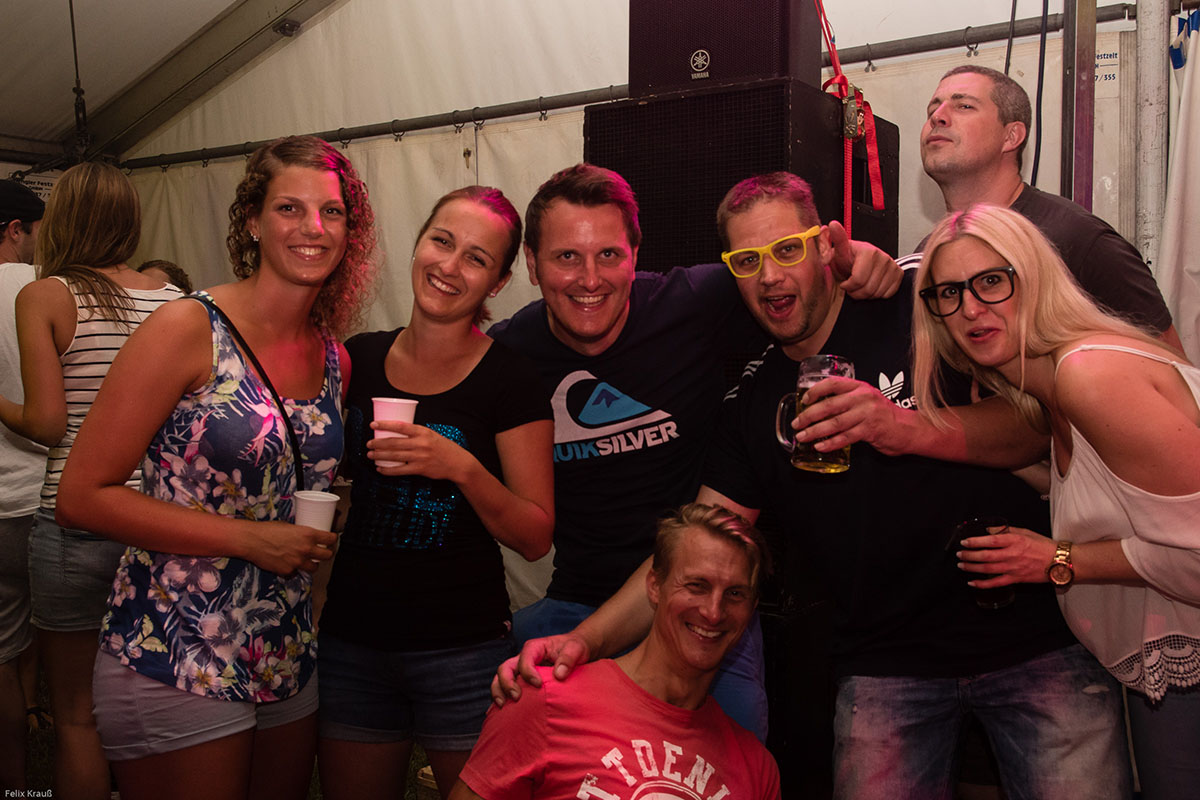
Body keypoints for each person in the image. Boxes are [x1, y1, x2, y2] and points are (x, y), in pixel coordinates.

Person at [500, 172, 1132, 800]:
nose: (770, 276)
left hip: (1029, 640)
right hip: (886, 665)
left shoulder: (915, 306)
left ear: (825, 246)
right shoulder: (751, 406)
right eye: (748, 261)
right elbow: (695, 553)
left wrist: (901, 427)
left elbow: (1037, 425)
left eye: (787, 250)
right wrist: (584, 641)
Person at [488, 163, 901, 739]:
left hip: (706, 603)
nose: (590, 279)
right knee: (537, 747)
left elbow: (791, 280)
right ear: (532, 264)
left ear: (636, 254)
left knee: (728, 760)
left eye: (608, 254)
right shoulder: (505, 357)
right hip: (580, 600)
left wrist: (856, 260)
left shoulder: (696, 301)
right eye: (566, 257)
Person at [54, 135, 376, 799]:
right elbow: (82, 495)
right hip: (176, 642)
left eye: (332, 212)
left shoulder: (334, 358)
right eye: (289, 208)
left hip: (283, 646)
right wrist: (250, 538)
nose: (313, 227)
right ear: (252, 221)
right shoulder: (188, 327)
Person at [912, 203, 1200, 800]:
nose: (971, 309)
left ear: (1036, 278)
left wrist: (1056, 560)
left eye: (992, 281)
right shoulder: (1050, 391)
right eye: (949, 292)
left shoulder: (1089, 376)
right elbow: (1119, 498)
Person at [316, 185, 554, 800]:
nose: (449, 266)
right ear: (419, 242)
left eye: (476, 258)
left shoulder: (511, 379)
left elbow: (535, 536)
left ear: (499, 282)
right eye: (441, 241)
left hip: (463, 648)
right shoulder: (358, 359)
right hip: (353, 640)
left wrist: (461, 467)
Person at [0, 163, 184, 799]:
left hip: (73, 520)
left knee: (79, 716)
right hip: (153, 522)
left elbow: (48, 424)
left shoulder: (46, 296)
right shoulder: (175, 302)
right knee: (153, 701)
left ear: (63, 220)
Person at [449, 503, 781, 800]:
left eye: (735, 594)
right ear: (654, 586)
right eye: (697, 585)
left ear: (751, 608)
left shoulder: (756, 767)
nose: (713, 612)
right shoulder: (545, 702)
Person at [920, 64, 1180, 348]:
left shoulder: (1077, 240)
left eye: (964, 106)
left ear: (1011, 136)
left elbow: (1171, 365)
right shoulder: (927, 254)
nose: (937, 117)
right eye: (932, 108)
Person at [0, 178, 46, 790]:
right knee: (83, 661)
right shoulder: (46, 289)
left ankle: (15, 786)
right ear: (16, 230)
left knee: (3, 658)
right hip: (51, 496)